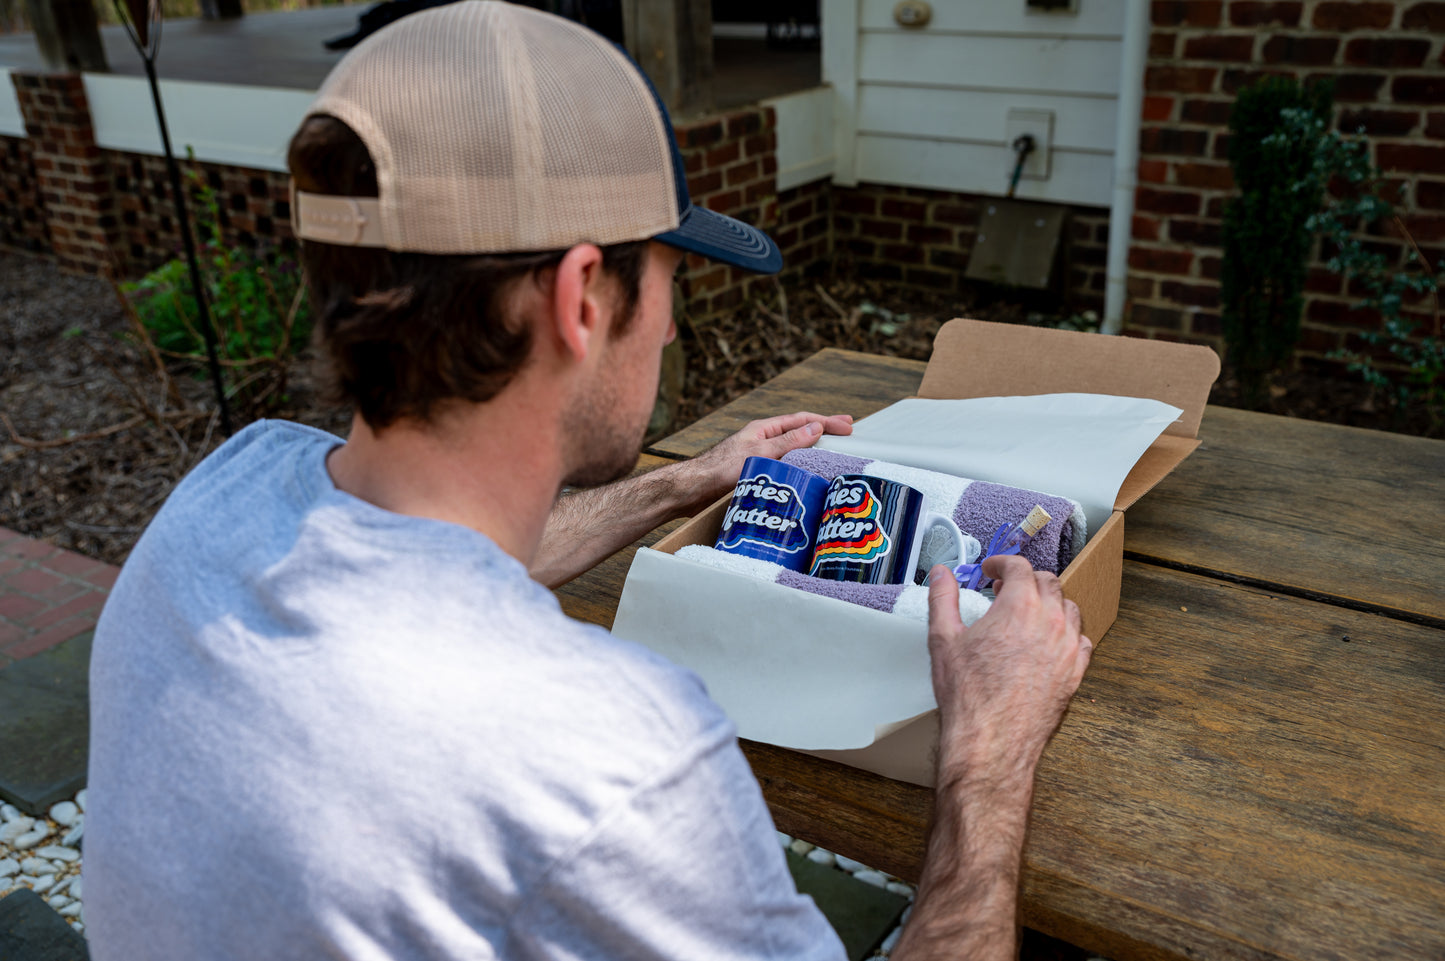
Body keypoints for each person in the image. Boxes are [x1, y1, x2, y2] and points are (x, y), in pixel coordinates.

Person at [84, 3, 1092, 960]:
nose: (662, 321)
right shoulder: (612, 754)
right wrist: (987, 757)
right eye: (663, 276)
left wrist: (679, 485)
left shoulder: (223, 490)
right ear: (577, 298)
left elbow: (440, 559)